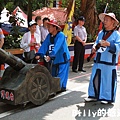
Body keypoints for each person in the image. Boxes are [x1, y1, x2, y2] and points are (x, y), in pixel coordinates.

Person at [84, 13, 120, 104]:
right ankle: (93, 95)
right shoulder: (101, 33)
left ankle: (106, 97)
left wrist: (108, 44)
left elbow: (118, 48)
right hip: (98, 60)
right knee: (94, 78)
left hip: (109, 62)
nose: (104, 21)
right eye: (104, 20)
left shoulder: (116, 34)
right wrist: (94, 47)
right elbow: (96, 42)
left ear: (113, 22)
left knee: (107, 80)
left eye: (107, 20)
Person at [35, 20, 70, 92]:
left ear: (55, 27)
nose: (48, 28)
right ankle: (56, 86)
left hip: (63, 58)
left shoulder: (61, 35)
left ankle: (60, 87)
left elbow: (57, 46)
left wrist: (51, 55)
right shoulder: (49, 36)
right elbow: (44, 45)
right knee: (53, 73)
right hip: (54, 58)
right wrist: (39, 54)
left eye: (50, 27)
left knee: (62, 73)